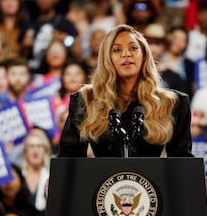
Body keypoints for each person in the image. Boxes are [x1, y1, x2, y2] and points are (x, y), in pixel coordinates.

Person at [58, 24, 194, 158]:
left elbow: (181, 160)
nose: (126, 54)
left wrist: (198, 177)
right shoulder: (86, 100)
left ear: (144, 56)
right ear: (107, 58)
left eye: (133, 48)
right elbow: (69, 158)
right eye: (117, 50)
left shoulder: (172, 103)